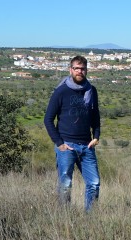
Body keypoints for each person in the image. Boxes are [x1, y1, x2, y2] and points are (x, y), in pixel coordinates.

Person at [44, 56, 101, 212]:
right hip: (67, 146)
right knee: (66, 185)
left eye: (82, 68)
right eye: (76, 68)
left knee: (94, 184)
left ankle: (91, 218)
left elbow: (95, 116)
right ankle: (65, 217)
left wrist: (96, 136)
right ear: (70, 70)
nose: (79, 71)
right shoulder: (61, 91)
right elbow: (48, 119)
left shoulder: (91, 90)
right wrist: (60, 143)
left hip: (86, 146)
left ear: (86, 70)